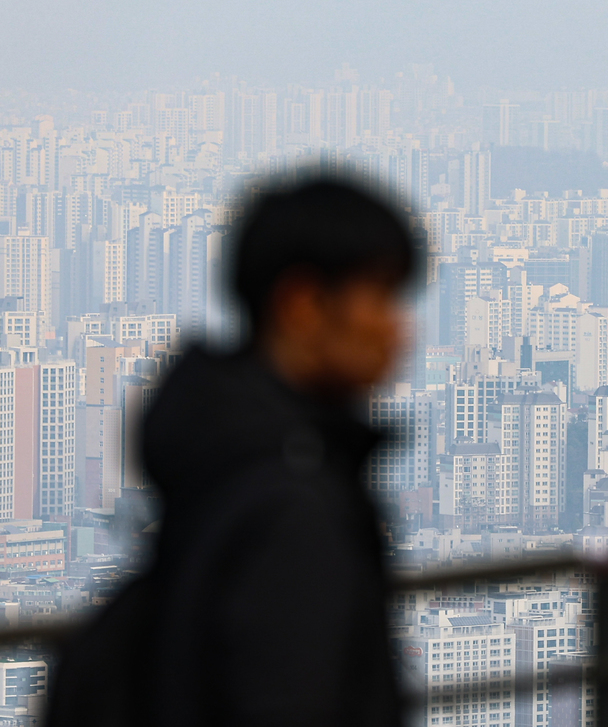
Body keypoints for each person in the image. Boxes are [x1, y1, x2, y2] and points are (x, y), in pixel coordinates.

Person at [49, 181, 421, 727]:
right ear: (303, 304)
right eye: (382, 297)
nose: (398, 329)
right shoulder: (293, 508)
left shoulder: (224, 456)